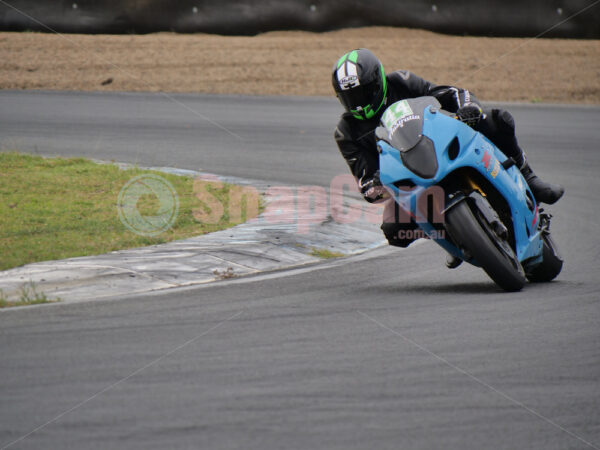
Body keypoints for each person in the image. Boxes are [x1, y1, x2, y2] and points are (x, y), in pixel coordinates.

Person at [332, 48, 564, 267]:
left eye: (363, 93)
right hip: (407, 178)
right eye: (351, 98)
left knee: (498, 120)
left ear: (378, 81)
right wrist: (375, 185)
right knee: (394, 230)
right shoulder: (346, 131)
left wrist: (468, 107)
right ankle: (453, 235)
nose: (359, 104)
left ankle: (528, 176)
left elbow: (450, 93)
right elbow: (365, 183)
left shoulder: (401, 81)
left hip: (438, 144)